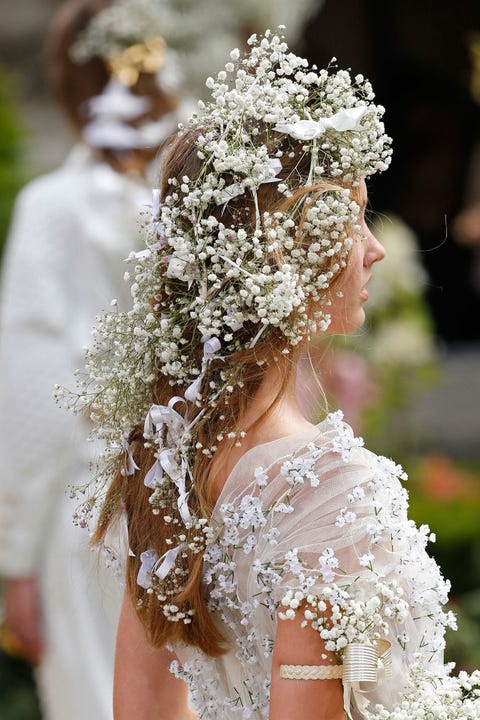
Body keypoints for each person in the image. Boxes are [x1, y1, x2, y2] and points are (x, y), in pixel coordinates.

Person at [59, 29, 480, 720]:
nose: (374, 249)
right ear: (286, 250)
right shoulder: (330, 489)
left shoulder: (169, 463)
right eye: (352, 219)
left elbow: (140, 710)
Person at [0, 1, 179, 718]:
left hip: (93, 512)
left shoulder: (53, 208)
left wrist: (13, 555)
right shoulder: (187, 203)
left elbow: (35, 391)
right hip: (193, 503)